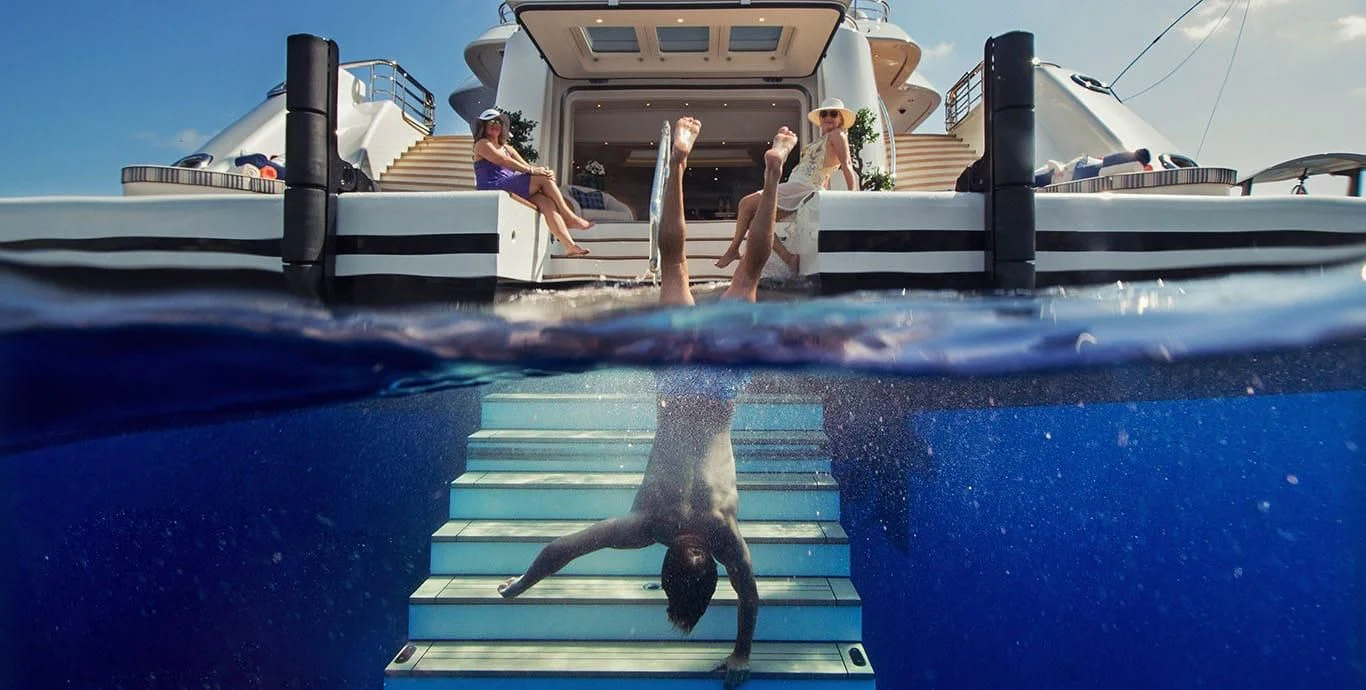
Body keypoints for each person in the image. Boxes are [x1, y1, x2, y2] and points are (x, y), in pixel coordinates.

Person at [497, 117, 798, 690]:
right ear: (662, 569)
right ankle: (681, 163)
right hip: (677, 384)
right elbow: (564, 549)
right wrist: (521, 583)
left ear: (709, 571)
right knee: (677, 266)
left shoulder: (722, 534)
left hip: (718, 389)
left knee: (748, 272)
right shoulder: (647, 525)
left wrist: (741, 654)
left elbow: (749, 595)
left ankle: (768, 171)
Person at [714, 97, 858, 273]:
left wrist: (853, 194)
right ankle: (788, 258)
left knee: (745, 203)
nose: (828, 117)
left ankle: (733, 249)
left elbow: (846, 164)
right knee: (756, 221)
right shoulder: (823, 139)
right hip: (799, 188)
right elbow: (825, 172)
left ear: (840, 118)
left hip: (804, 187)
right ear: (820, 118)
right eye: (824, 114)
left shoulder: (838, 135)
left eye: (833, 114)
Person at [472, 107, 593, 256]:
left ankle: (569, 245)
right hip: (492, 187)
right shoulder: (482, 144)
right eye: (490, 122)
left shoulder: (508, 148)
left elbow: (527, 167)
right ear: (483, 126)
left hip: (508, 186)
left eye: (498, 122)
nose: (495, 124)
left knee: (546, 202)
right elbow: (502, 160)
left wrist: (545, 172)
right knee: (541, 178)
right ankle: (569, 216)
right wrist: (536, 172)